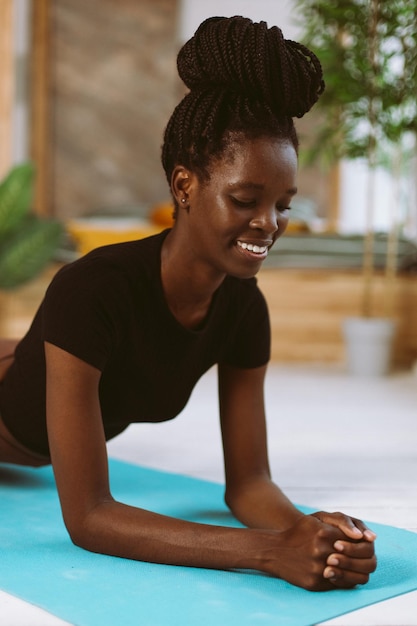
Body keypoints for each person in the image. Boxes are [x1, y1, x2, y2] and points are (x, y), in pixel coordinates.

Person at [0, 15, 376, 591]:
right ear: (184, 186)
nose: (268, 224)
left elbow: (249, 483)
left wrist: (315, 536)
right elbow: (89, 516)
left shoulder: (244, 309)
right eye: (246, 198)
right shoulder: (92, 288)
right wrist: (272, 552)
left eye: (284, 205)